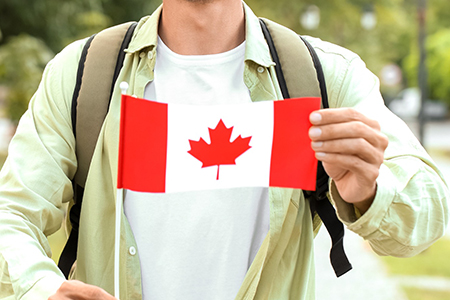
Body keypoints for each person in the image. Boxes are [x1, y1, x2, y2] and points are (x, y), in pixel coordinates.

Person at [0, 0, 448, 299]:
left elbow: (426, 216)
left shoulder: (320, 75)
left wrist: (369, 190)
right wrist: (40, 288)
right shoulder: (83, 74)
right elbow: (12, 213)